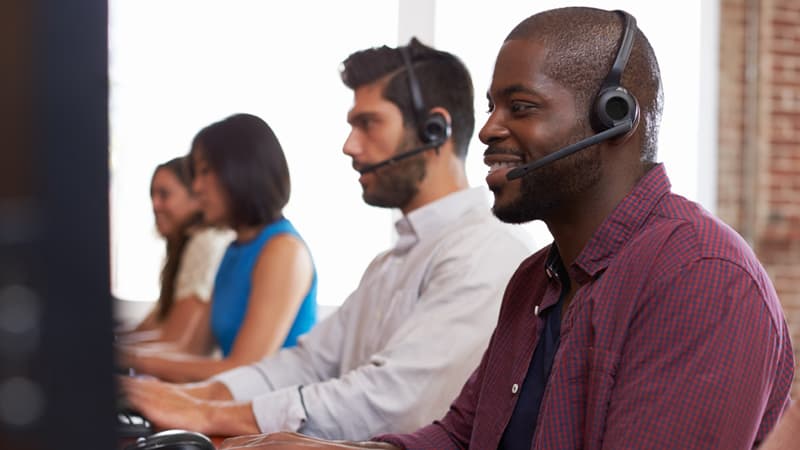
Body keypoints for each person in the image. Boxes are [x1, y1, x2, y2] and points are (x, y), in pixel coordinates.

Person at [217, 7, 795, 450]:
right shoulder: (534, 282)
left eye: (520, 106)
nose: (489, 129)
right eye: (492, 106)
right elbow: (461, 439)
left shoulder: (700, 279)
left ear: (614, 118)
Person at [120, 38, 532, 440]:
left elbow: (391, 402)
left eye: (367, 123)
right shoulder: (389, 263)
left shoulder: (482, 255)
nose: (349, 145)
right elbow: (306, 364)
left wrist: (204, 412)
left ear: (433, 130)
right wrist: (182, 398)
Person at [119, 113, 318, 383]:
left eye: (204, 172)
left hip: (276, 414)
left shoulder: (283, 250)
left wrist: (129, 358)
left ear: (242, 170)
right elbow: (190, 349)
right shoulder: (234, 249)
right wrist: (121, 353)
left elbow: (245, 369)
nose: (197, 187)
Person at [116, 156, 234, 355]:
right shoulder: (181, 247)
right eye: (152, 195)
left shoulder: (204, 243)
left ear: (195, 198)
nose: (155, 204)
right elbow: (154, 323)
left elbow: (173, 339)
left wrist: (113, 352)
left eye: (164, 195)